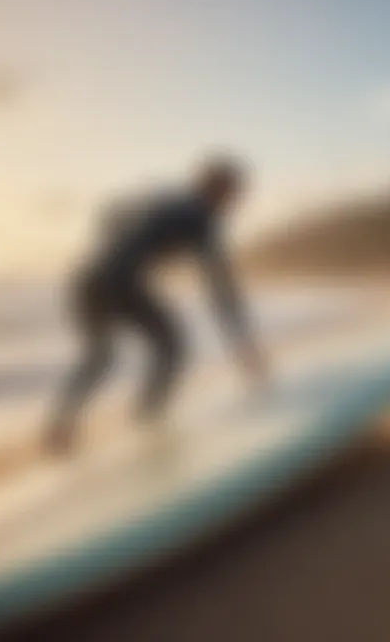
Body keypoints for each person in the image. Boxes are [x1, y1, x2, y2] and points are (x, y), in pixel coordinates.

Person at [45, 152, 267, 455]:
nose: (234, 202)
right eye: (232, 192)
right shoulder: (200, 216)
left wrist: (124, 251)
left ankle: (60, 430)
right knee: (170, 347)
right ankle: (147, 422)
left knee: (100, 356)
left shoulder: (169, 200)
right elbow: (220, 289)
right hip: (117, 282)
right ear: (215, 188)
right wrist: (244, 345)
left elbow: (111, 212)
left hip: (87, 280)